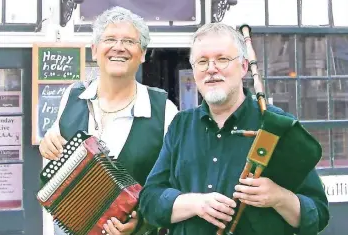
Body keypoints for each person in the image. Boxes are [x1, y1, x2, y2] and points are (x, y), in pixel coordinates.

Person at [138, 22, 330, 235]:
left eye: (222, 59)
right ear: (194, 71)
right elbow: (149, 202)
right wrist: (194, 203)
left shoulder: (277, 125)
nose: (211, 69)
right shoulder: (180, 125)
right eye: (202, 62)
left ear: (244, 67)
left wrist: (279, 198)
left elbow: (318, 213)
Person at [38, 6, 178, 235]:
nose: (118, 47)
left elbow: (174, 186)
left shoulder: (164, 110)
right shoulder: (71, 96)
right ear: (94, 50)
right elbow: (53, 154)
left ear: (142, 53)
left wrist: (143, 222)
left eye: (129, 41)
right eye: (110, 39)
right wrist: (47, 145)